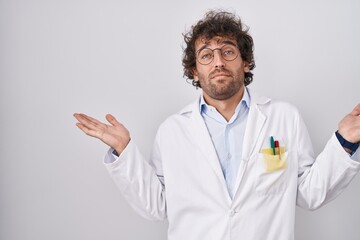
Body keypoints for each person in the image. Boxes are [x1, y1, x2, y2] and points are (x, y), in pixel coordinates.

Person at [73, 10, 360, 240]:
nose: (218, 62)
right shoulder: (173, 131)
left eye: (228, 52)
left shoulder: (284, 117)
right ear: (194, 71)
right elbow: (157, 206)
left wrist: (345, 142)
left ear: (245, 63)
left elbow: (308, 193)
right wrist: (124, 150)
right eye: (206, 55)